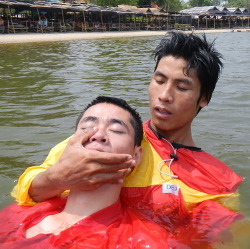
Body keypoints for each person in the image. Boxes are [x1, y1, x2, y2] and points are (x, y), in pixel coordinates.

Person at [11, 32, 243, 246]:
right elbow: (26, 192)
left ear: (204, 98)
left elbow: (216, 237)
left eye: (181, 87)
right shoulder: (114, 137)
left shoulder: (216, 181)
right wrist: (57, 179)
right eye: (159, 81)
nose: (164, 96)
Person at [0, 96, 174, 248]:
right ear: (70, 144)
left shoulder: (145, 242)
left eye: (116, 130)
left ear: (136, 155)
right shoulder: (15, 214)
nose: (98, 135)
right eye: (87, 127)